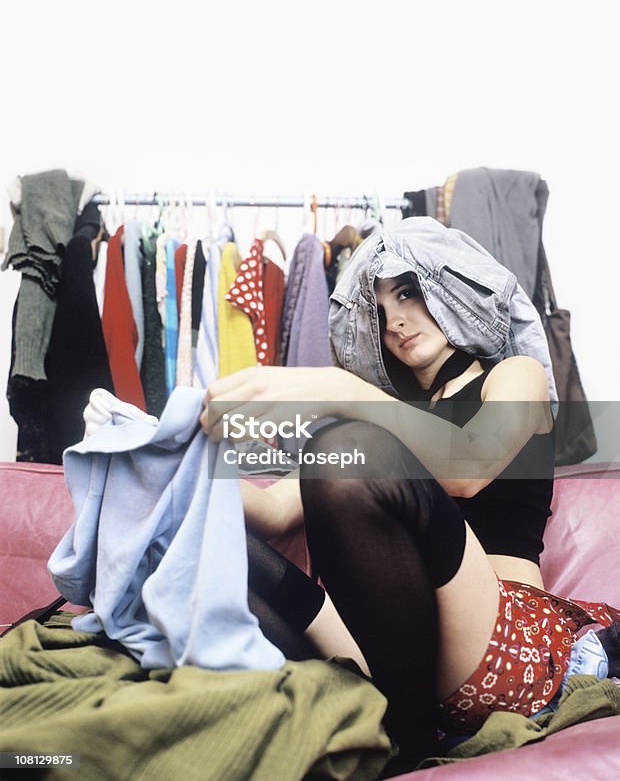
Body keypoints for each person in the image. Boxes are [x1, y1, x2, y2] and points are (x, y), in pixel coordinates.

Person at [201, 220, 620, 775]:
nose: (395, 319)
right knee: (202, 541)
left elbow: (468, 467)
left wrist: (344, 394)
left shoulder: (513, 376)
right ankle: (398, 723)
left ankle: (406, 739)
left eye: (408, 291)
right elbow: (276, 512)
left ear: (454, 287)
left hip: (503, 644)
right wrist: (182, 460)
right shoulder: (374, 426)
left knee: (352, 445)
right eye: (378, 308)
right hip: (383, 649)